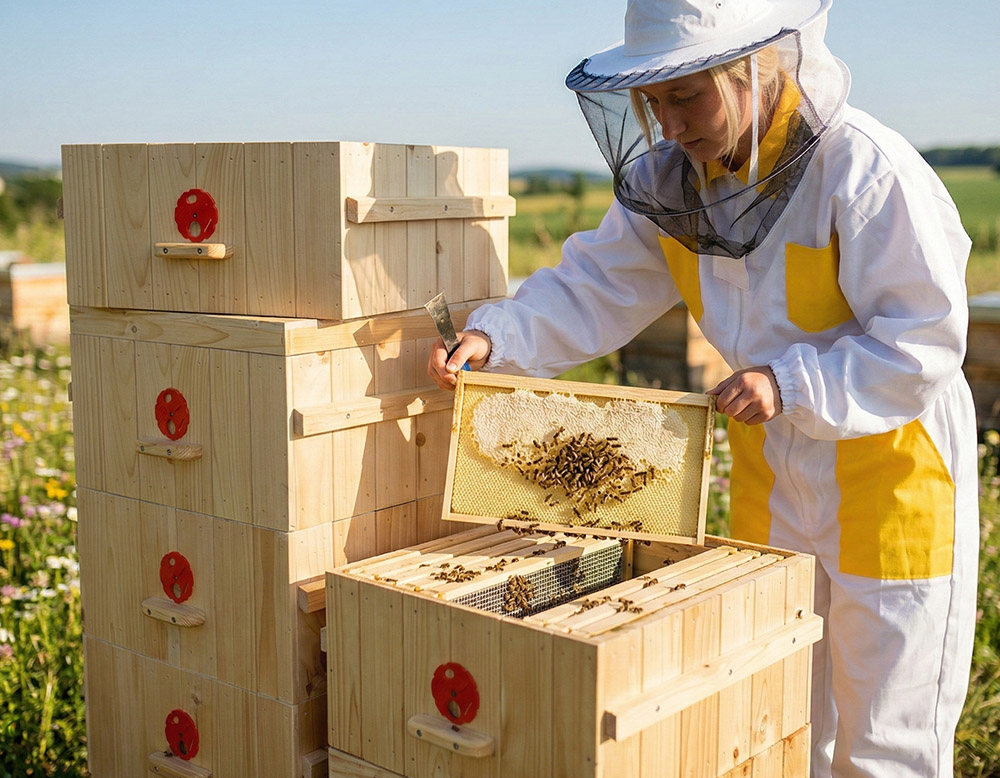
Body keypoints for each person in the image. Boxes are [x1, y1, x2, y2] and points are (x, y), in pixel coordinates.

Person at [427, 1, 979, 776]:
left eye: (687, 95)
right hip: (771, 481)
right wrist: (499, 337)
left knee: (886, 743)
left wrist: (790, 382)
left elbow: (922, 345)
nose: (669, 123)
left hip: (889, 477)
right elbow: (594, 287)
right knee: (784, 715)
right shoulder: (672, 185)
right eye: (653, 102)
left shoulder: (861, 171)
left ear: (758, 68)